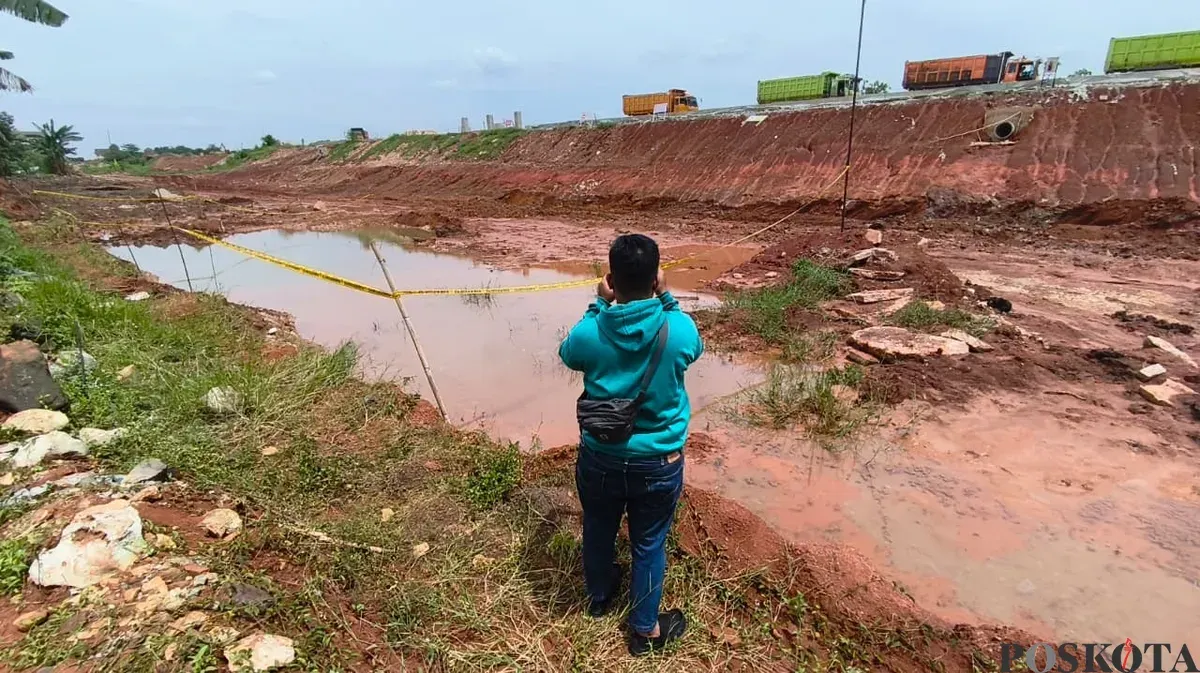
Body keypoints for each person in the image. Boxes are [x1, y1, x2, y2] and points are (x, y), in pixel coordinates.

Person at [558, 233, 704, 656]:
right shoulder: (678, 327)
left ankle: (600, 598)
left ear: (611, 279)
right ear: (656, 277)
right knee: (648, 542)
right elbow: (694, 349)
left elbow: (568, 352)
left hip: (601, 458)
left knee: (599, 528)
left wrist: (599, 304)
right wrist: (668, 297)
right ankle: (644, 630)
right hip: (659, 461)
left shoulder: (591, 331)